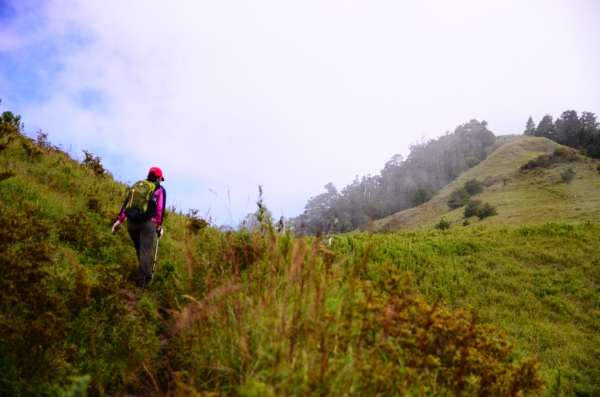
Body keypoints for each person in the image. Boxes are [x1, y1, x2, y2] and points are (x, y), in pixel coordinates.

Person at [112, 167, 167, 287]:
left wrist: (119, 220)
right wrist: (159, 226)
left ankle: (147, 275)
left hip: (131, 223)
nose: (160, 181)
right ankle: (140, 282)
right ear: (158, 178)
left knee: (139, 249)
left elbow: (126, 203)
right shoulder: (159, 189)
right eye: (160, 179)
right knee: (145, 252)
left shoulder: (138, 186)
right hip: (147, 224)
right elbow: (160, 209)